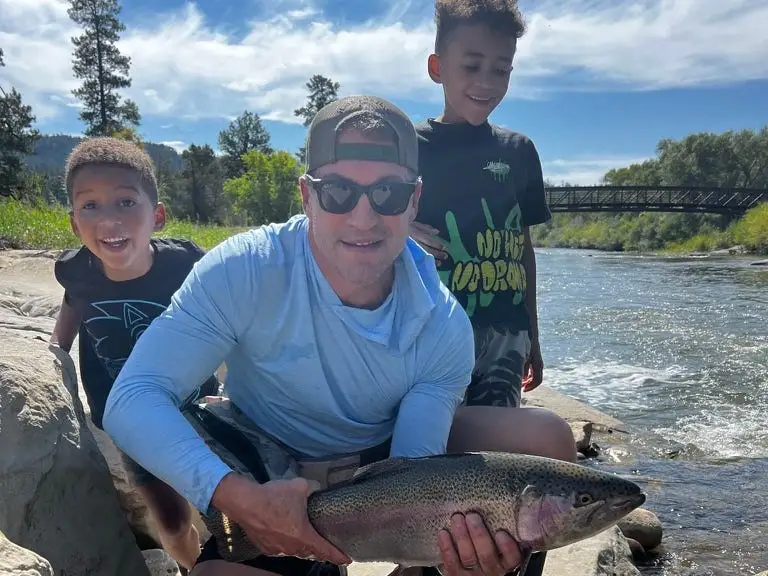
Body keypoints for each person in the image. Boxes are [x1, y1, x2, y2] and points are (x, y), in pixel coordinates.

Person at [101, 95, 524, 576]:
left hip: (379, 466)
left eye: (388, 193)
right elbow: (132, 397)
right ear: (307, 196)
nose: (363, 217)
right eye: (338, 192)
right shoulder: (244, 270)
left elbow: (412, 472)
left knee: (545, 440)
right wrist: (240, 499)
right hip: (265, 458)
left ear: (414, 201)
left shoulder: (444, 325)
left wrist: (441, 564)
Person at [408, 2, 577, 574]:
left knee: (506, 474)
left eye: (500, 69)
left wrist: (533, 333)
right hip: (431, 341)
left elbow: (524, 248)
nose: (486, 82)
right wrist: (398, 224)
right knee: (435, 467)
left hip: (503, 339)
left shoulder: (519, 151)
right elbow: (362, 217)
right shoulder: (410, 146)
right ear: (438, 67)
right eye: (471, 65)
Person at [49, 137, 219, 570]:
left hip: (198, 411)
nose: (109, 220)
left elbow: (227, 321)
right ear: (73, 223)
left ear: (157, 216)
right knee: (173, 522)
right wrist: (54, 355)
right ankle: (191, 568)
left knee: (224, 507)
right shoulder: (79, 272)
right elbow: (67, 320)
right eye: (90, 206)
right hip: (129, 423)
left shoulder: (185, 265)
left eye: (126, 202)